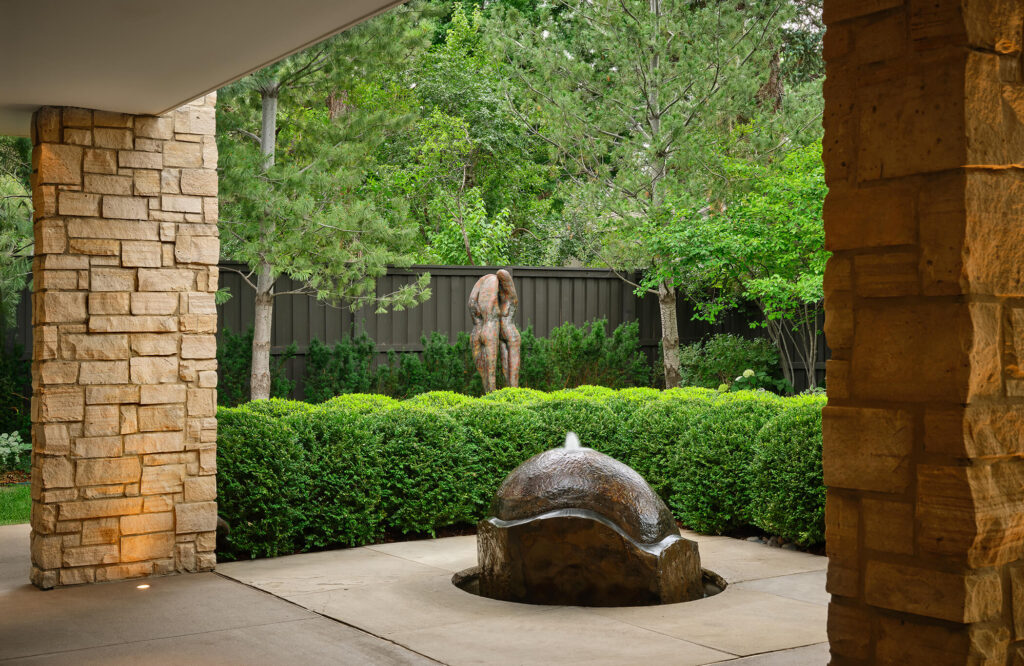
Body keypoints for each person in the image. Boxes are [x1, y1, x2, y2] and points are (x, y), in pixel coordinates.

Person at [468, 270, 521, 392]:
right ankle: (508, 394)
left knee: (489, 375)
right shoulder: (507, 303)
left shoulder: (485, 288)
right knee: (491, 374)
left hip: (491, 328)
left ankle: (498, 394)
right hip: (494, 329)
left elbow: (472, 305)